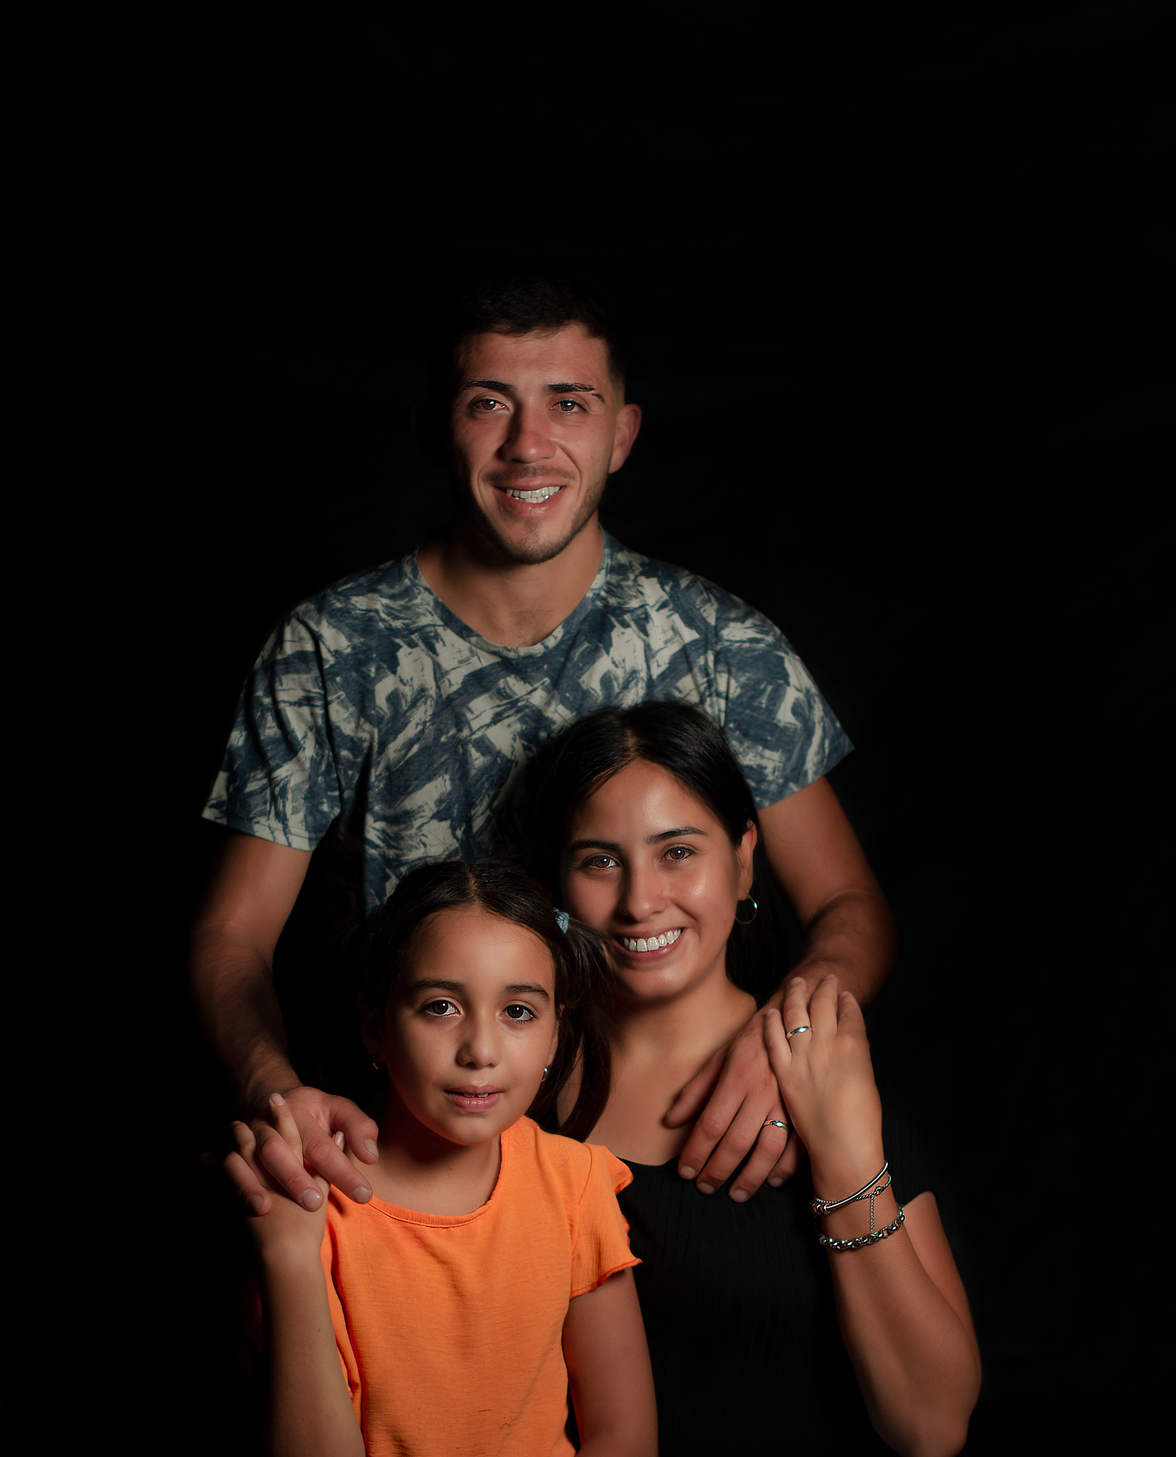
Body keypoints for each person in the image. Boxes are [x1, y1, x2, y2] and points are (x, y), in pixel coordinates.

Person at [282, 704, 978, 1457]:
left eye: (677, 851)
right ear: (555, 884)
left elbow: (932, 1430)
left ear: (744, 862)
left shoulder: (828, 1080)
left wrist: (843, 1153)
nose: (642, 901)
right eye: (600, 860)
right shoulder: (491, 1089)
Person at [191, 271, 897, 1225]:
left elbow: (851, 905)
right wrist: (277, 1094)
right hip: (400, 1177)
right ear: (431, 429)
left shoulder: (722, 647)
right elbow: (231, 936)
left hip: (663, 1156)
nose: (529, 444)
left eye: (570, 403)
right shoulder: (331, 648)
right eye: (489, 403)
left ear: (622, 433)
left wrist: (792, 1040)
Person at [237, 856, 658, 1457]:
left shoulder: (573, 1185)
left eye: (519, 1011)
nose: (480, 1050)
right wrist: (289, 1254)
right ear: (374, 1026)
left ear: (556, 1033)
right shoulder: (306, 1204)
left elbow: (627, 1444)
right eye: (440, 1007)